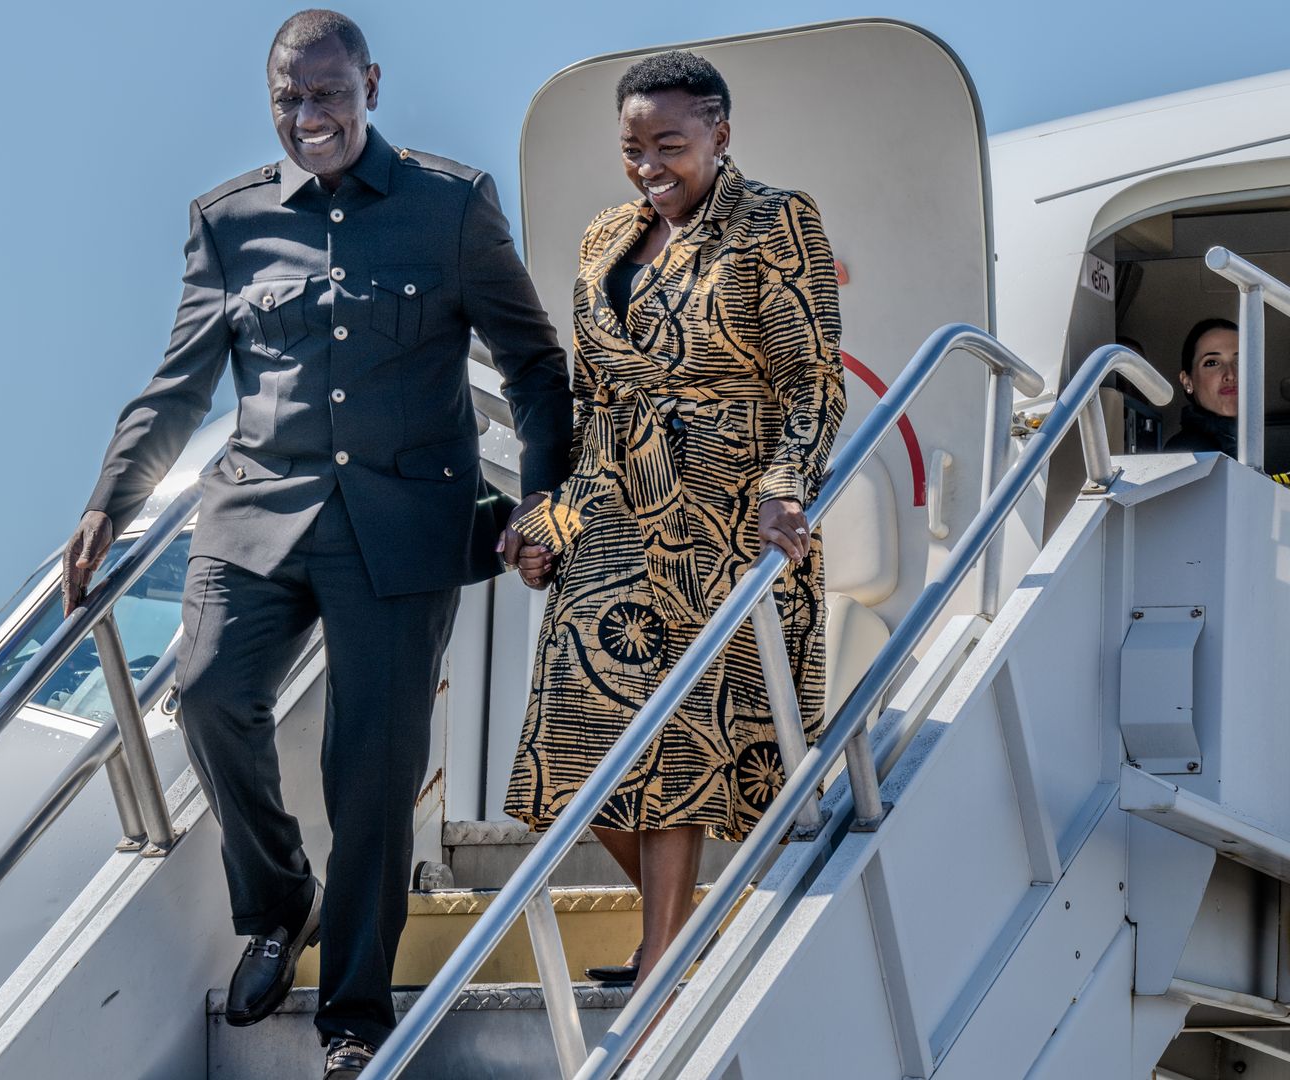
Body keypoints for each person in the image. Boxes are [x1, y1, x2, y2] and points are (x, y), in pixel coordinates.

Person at [61, 10, 573, 1076]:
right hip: (256, 512)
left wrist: (544, 504)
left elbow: (532, 364)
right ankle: (276, 903)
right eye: (290, 100)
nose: (310, 118)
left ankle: (354, 1016)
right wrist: (112, 497)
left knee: (374, 773)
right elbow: (182, 378)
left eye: (329, 95)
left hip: (402, 526)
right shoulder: (229, 221)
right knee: (204, 689)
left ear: (371, 86)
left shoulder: (451, 207)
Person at [504, 50, 845, 997]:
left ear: (719, 136)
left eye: (671, 143)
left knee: (679, 745)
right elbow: (594, 401)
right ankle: (684, 936)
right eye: (633, 146)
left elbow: (811, 383)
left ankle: (662, 957)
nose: (651, 163)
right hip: (615, 509)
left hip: (724, 514)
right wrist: (555, 522)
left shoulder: (775, 221)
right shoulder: (604, 235)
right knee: (575, 748)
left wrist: (787, 487)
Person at [1166, 317, 1239, 455]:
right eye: (1212, 363)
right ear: (1187, 381)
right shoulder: (1187, 451)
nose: (1230, 375)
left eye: (1240, 361)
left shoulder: (1248, 444)